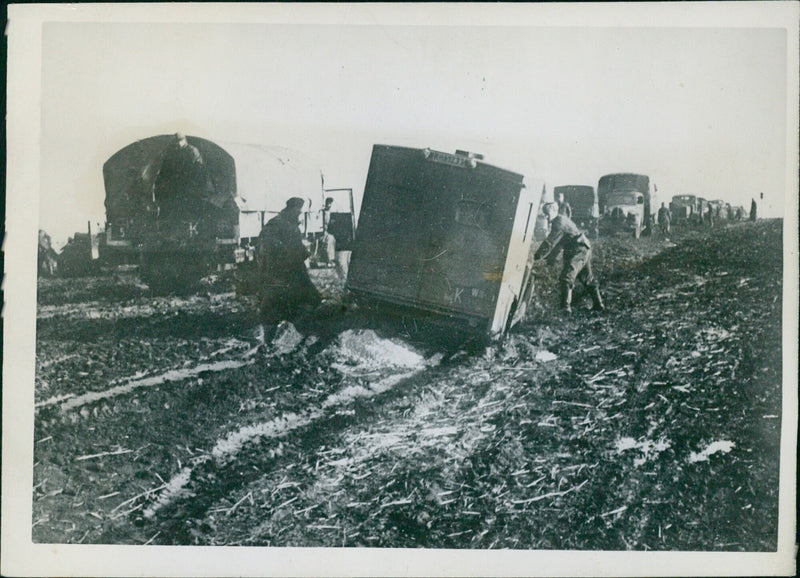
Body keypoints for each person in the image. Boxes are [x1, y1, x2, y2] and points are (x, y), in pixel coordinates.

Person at [256, 197, 321, 326]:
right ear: (290, 209)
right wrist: (284, 252)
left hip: (293, 266)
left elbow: (296, 245)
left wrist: (305, 253)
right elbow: (267, 242)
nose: (299, 214)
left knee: (307, 294)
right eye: (297, 211)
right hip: (282, 267)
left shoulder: (290, 224)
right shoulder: (277, 223)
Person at [533, 203, 604, 313]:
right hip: (582, 248)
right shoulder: (562, 220)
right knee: (587, 278)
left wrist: (536, 256)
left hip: (578, 250)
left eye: (547, 214)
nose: (546, 217)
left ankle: (565, 309)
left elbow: (549, 243)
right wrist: (551, 258)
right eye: (545, 214)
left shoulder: (558, 223)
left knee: (566, 277)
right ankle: (599, 304)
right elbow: (559, 243)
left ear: (554, 211)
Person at [320, 197, 336, 267]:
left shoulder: (332, 213)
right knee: (329, 239)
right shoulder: (321, 212)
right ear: (326, 203)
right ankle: (329, 260)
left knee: (331, 239)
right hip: (322, 232)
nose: (329, 205)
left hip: (330, 232)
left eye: (330, 203)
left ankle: (330, 260)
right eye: (328, 203)